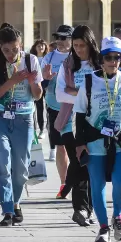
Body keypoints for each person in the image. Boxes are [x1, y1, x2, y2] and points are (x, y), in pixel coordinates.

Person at [74, 37, 121, 242]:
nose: (112, 61)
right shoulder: (89, 82)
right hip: (95, 139)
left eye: (117, 57)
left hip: (120, 138)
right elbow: (79, 114)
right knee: (97, 186)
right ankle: (103, 227)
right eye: (108, 57)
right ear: (101, 59)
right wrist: (80, 144)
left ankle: (119, 218)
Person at [0, 24, 43, 226]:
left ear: (21, 45)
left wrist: (34, 82)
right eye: (6, 50)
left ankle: (16, 202)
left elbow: (37, 96)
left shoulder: (31, 60)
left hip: (24, 117)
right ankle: (8, 210)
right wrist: (12, 81)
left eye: (14, 49)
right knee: (3, 163)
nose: (10, 54)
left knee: (21, 169)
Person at [55, 25, 102, 226]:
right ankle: (80, 209)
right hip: (69, 122)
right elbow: (60, 93)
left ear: (90, 44)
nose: (79, 50)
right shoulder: (68, 64)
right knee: (78, 162)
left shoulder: (100, 63)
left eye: (82, 45)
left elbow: (102, 93)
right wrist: (84, 93)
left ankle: (87, 208)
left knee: (91, 165)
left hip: (94, 122)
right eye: (75, 46)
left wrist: (75, 91)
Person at [40, 25, 74, 199]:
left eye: (64, 38)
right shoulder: (49, 57)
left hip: (75, 107)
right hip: (54, 107)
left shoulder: (76, 56)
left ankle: (79, 182)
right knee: (60, 146)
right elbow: (39, 87)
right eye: (57, 38)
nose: (60, 41)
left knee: (76, 146)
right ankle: (64, 183)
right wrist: (45, 80)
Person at [29, 39, 49, 138]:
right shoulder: (32, 59)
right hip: (37, 85)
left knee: (48, 108)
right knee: (38, 108)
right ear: (35, 48)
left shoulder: (48, 58)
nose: (41, 47)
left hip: (47, 85)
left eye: (42, 45)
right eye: (38, 46)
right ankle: (37, 129)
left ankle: (44, 129)